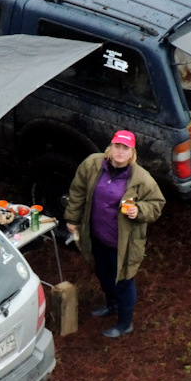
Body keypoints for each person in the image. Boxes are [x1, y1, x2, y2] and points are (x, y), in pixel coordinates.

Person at [64, 130, 165, 338]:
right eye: (117, 146)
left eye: (125, 148)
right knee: (103, 273)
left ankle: (124, 323)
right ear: (110, 147)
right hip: (98, 236)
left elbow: (156, 205)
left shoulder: (142, 179)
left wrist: (139, 211)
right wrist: (72, 219)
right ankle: (111, 305)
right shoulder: (93, 164)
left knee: (124, 280)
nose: (120, 151)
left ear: (132, 153)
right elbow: (78, 191)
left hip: (124, 242)